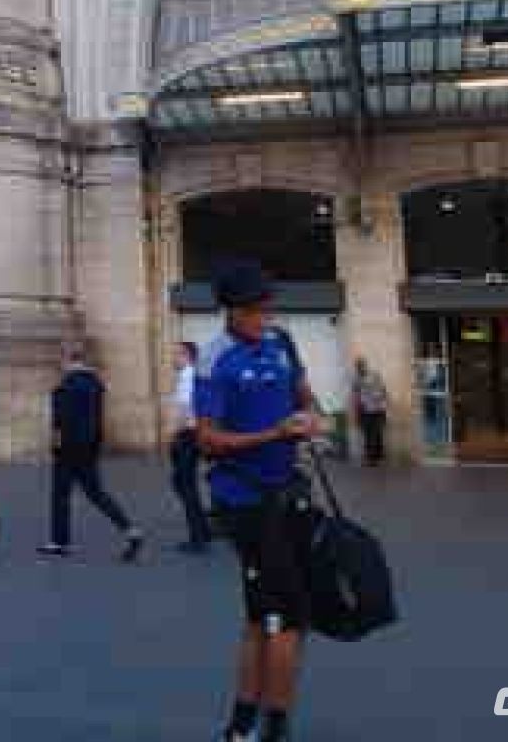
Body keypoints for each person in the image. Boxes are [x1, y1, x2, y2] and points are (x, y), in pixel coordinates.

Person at [195, 262, 325, 742]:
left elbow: (309, 401)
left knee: (261, 618)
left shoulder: (282, 343)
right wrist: (274, 433)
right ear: (230, 311)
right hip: (244, 502)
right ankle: (274, 726)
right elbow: (208, 440)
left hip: (287, 493)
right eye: (253, 310)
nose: (264, 317)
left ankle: (243, 721)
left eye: (267, 307)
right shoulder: (215, 360)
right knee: (288, 617)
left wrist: (312, 418)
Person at [37, 349, 144, 561]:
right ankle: (130, 529)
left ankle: (60, 542)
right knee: (97, 494)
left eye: (62, 363)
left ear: (70, 362)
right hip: (89, 447)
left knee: (60, 495)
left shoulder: (64, 387)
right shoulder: (96, 385)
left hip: (67, 448)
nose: (61, 367)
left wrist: (55, 447)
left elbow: (59, 423)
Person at [169, 340, 212, 553]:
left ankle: (198, 536)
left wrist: (176, 432)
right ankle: (202, 529)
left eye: (176, 354)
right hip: (192, 434)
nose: (173, 359)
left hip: (187, 435)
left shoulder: (187, 376)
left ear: (187, 356)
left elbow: (186, 407)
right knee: (183, 483)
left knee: (185, 484)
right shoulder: (190, 375)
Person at [352, 357, 389, 466]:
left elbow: (383, 390)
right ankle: (372, 457)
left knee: (376, 433)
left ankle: (377, 456)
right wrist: (357, 411)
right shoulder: (357, 380)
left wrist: (382, 401)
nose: (360, 369)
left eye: (361, 366)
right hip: (366, 410)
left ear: (365, 365)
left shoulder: (374, 375)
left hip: (377, 409)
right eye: (358, 367)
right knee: (369, 434)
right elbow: (356, 396)